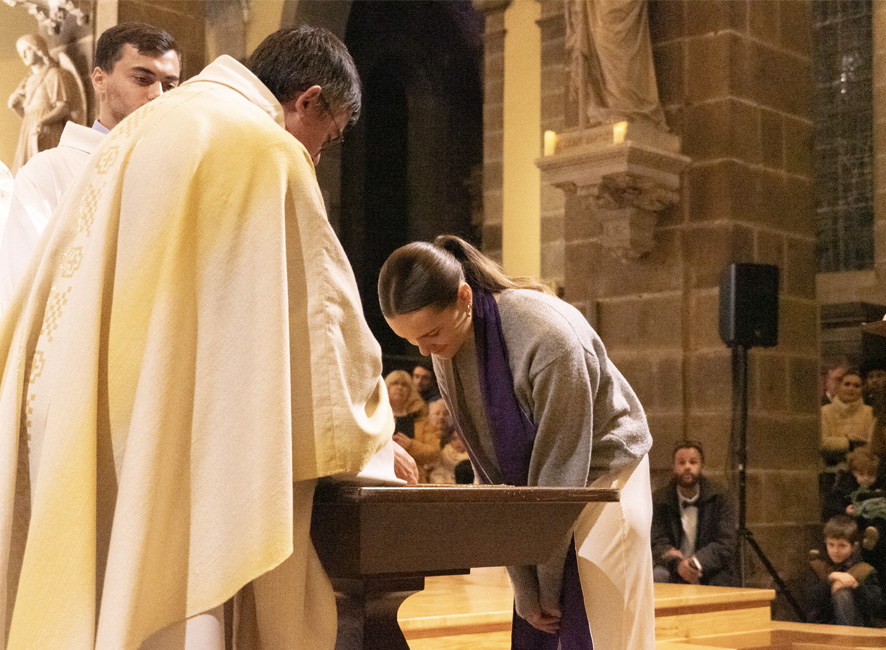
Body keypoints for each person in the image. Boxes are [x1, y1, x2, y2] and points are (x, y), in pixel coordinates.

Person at [0, 25, 416, 650]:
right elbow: (322, 334)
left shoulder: (143, 130)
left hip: (85, 419)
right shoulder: (263, 149)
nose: (316, 157)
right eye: (326, 139)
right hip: (175, 440)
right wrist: (375, 445)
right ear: (307, 100)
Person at [378, 235, 655, 649]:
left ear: (464, 298)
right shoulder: (445, 349)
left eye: (430, 333)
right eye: (411, 340)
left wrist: (545, 586)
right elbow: (491, 475)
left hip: (605, 478)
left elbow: (560, 470)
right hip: (544, 493)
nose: (424, 350)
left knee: (604, 630)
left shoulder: (548, 336)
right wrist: (525, 589)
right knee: (539, 626)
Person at [0, 22, 182, 315]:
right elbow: (20, 293)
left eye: (170, 85)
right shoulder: (49, 173)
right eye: (142, 79)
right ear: (99, 80)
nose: (158, 94)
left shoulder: (180, 175)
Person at [650, 440, 738, 586]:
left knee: (723, 580)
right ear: (674, 467)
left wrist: (694, 563)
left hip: (708, 566)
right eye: (681, 462)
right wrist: (678, 564)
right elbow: (657, 541)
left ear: (702, 466)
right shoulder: (659, 500)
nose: (687, 467)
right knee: (658, 575)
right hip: (673, 566)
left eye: (693, 462)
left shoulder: (721, 497)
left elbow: (725, 543)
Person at [7, 34, 76, 173]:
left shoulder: (53, 74)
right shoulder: (28, 81)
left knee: (46, 173)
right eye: (21, 52)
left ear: (38, 49)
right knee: (27, 173)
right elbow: (28, 116)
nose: (23, 56)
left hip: (48, 131)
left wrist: (43, 121)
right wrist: (17, 107)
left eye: (27, 50)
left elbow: (63, 108)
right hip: (30, 131)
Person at [806, 515, 883, 627]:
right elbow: (810, 599)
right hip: (823, 626)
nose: (835, 550)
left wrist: (856, 586)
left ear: (853, 546)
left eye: (842, 545)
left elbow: (875, 606)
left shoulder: (865, 570)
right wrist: (830, 580)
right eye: (831, 544)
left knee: (843, 593)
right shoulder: (818, 566)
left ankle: (845, 636)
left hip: (856, 628)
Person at [385, 369, 441, 483]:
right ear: (386, 387)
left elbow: (435, 452)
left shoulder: (422, 419)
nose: (399, 387)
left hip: (414, 478)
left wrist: (411, 445)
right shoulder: (376, 416)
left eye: (404, 385)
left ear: (411, 390)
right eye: (395, 383)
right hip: (383, 473)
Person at [821, 371, 875, 469]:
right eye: (847, 384)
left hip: (863, 469)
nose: (851, 388)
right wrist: (850, 443)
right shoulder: (824, 412)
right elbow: (821, 441)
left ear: (862, 390)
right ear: (838, 387)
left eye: (856, 386)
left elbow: (872, 444)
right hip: (828, 469)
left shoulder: (870, 413)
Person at [427, 400, 469, 485]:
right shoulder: (443, 455)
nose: (458, 442)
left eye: (445, 414)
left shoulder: (471, 460)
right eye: (454, 439)